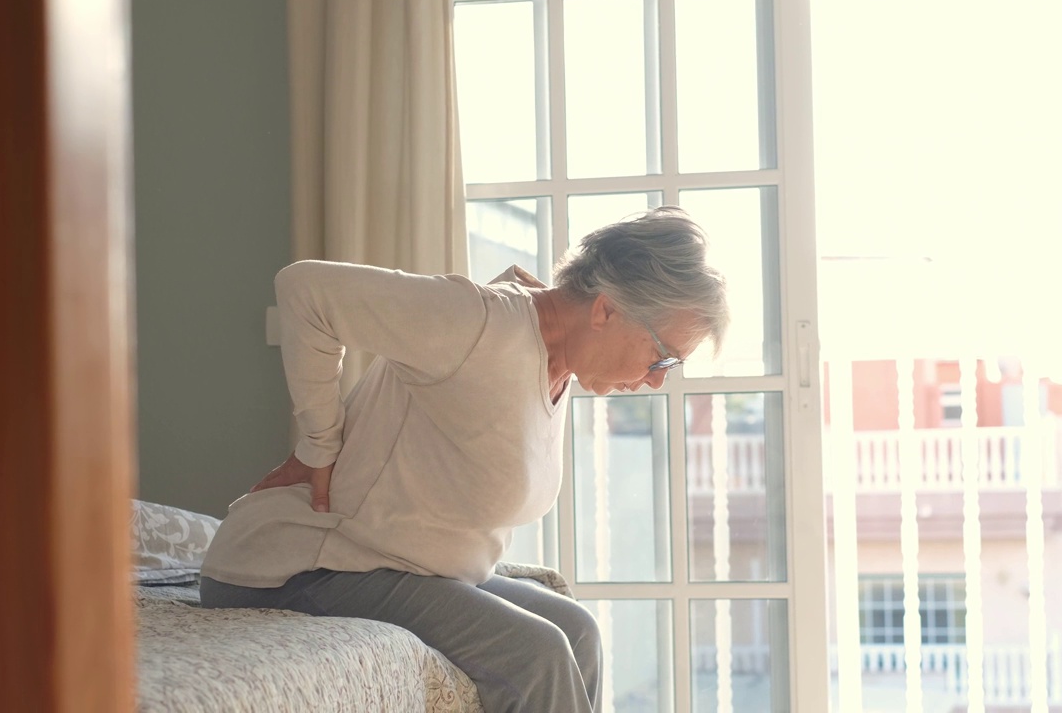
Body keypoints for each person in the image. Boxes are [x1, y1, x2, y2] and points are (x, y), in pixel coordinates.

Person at [200, 206, 730, 713]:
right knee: (537, 652)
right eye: (661, 356)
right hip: (310, 568)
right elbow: (305, 290)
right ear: (606, 310)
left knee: (577, 630)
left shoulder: (558, 363)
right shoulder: (481, 321)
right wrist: (319, 442)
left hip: (415, 568)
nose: (659, 379)